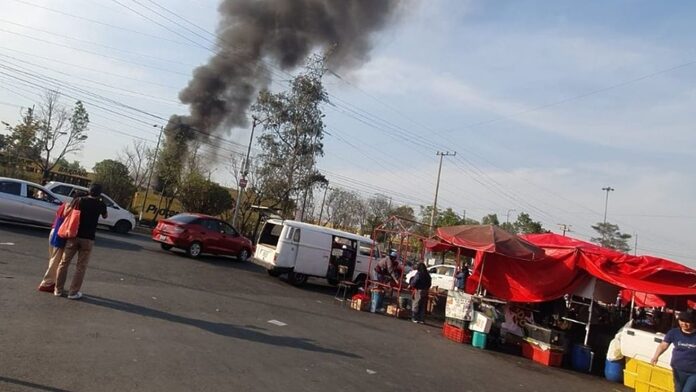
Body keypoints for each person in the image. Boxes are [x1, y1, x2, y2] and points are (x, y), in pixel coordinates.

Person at [54, 184, 108, 300]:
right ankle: (73, 292)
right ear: (99, 193)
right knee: (81, 267)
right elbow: (105, 216)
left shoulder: (79, 201)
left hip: (73, 235)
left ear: (88, 191)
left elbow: (66, 213)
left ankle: (58, 289)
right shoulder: (101, 204)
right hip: (88, 238)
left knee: (64, 263)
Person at [651, 309, 696, 392]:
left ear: (693, 322)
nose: (684, 324)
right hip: (678, 370)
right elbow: (663, 345)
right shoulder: (674, 332)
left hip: (694, 373)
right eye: (682, 320)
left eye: (688, 322)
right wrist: (656, 356)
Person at [37, 200, 70, 292]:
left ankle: (51, 281)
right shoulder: (70, 207)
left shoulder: (64, 204)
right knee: (56, 260)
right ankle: (47, 283)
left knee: (52, 258)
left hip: (53, 230)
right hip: (60, 234)